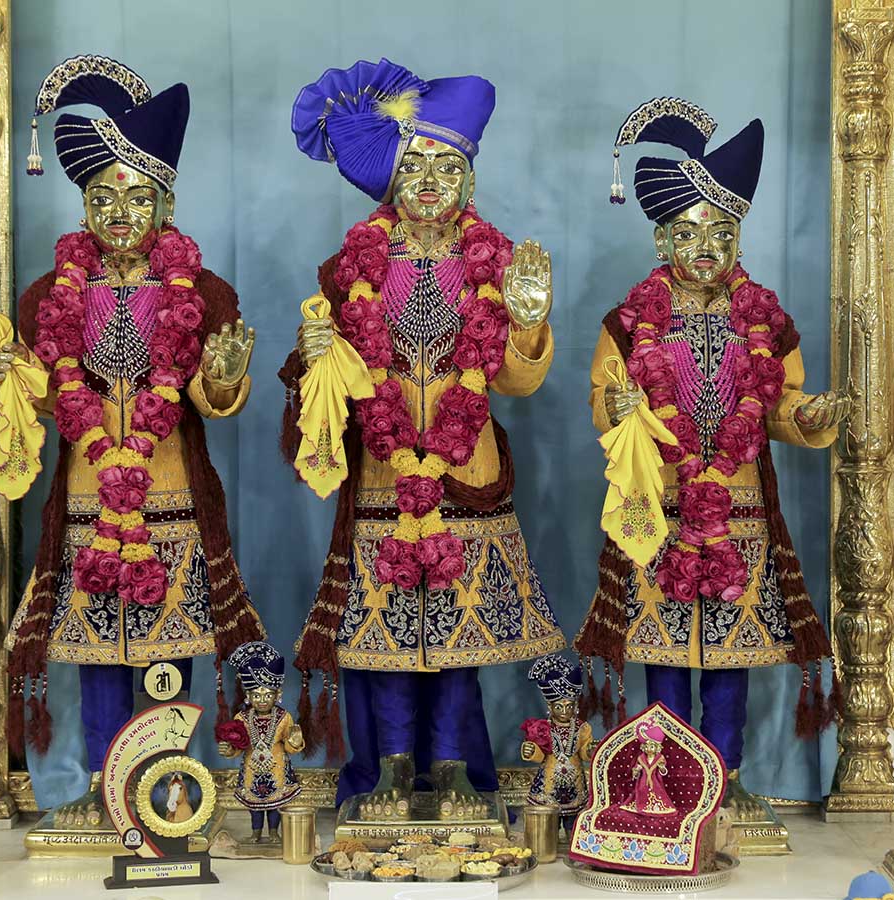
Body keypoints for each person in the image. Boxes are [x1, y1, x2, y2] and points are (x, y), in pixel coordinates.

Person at [282, 58, 565, 819]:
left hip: (465, 475)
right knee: (382, 641)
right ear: (391, 182)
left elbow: (516, 383)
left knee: (457, 637)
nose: (431, 182)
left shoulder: (498, 266)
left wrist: (528, 322)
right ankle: (386, 770)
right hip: (381, 475)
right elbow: (324, 385)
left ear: (470, 182)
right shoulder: (349, 271)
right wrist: (315, 357)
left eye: (447, 168)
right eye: (415, 167)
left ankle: (453, 769)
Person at [0, 55, 264, 826]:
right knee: (97, 654)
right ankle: (102, 786)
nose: (118, 212)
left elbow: (214, 404)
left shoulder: (204, 293)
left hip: (169, 497)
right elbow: (57, 403)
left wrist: (222, 379)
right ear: (83, 206)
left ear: (166, 203)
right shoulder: (49, 296)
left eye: (137, 196)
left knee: (164, 649)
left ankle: (167, 788)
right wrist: (22, 382)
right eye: (102, 197)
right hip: (86, 499)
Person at [575, 97, 849, 817]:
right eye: (690, 232)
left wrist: (806, 417)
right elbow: (603, 398)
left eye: (722, 232)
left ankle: (725, 783)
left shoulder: (766, 321)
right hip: (658, 505)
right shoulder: (629, 322)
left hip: (738, 508)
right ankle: (664, 785)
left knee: (730, 652)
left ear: (739, 239)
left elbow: (779, 403)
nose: (707, 246)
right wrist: (619, 408)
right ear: (660, 239)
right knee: (664, 651)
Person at [217, 641, 305, 843]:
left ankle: (274, 832)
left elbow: (290, 746)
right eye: (257, 695)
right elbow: (238, 746)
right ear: (248, 696)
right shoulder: (241, 718)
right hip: (252, 769)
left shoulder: (284, 717)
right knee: (254, 806)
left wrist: (295, 741)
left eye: (267, 695)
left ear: (277, 695)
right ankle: (255, 833)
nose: (262, 700)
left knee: (275, 804)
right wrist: (229, 749)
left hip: (277, 768)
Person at [520, 654, 595, 838]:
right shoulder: (542, 728)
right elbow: (540, 756)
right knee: (547, 830)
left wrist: (590, 749)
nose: (564, 711)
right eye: (559, 707)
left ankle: (574, 846)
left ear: (575, 706)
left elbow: (584, 754)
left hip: (575, 786)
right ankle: (547, 845)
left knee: (573, 830)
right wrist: (531, 750)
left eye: (569, 706)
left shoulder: (582, 728)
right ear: (550, 706)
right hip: (548, 787)